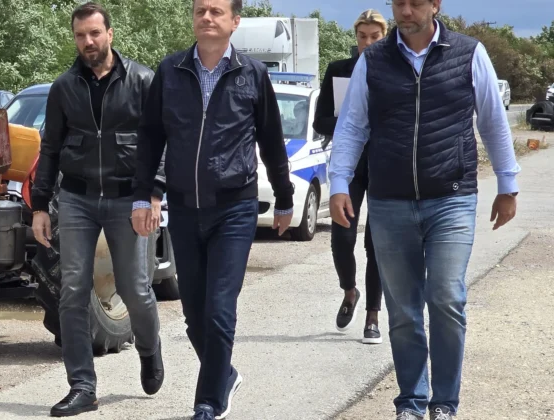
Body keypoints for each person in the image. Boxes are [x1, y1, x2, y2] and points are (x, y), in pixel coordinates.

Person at [328, 1, 520, 419]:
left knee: (446, 297)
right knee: (402, 310)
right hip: (389, 200)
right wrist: (339, 182)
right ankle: (412, 402)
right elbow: (353, 125)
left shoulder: (468, 53)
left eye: (416, 3)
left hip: (451, 197)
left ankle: (445, 403)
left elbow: (491, 120)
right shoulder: (374, 60)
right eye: (399, 3)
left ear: (435, 5)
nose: (406, 11)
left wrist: (508, 183)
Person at [131, 0, 294, 418]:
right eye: (200, 10)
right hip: (185, 209)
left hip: (234, 208)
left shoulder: (252, 74)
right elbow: (151, 137)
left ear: (234, 21)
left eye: (216, 11)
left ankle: (208, 403)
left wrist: (284, 197)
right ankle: (225, 375)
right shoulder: (170, 71)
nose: (206, 17)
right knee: (193, 313)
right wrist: (145, 194)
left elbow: (271, 139)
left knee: (220, 310)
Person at [30, 2, 166, 417]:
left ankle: (149, 348)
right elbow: (50, 147)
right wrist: (40, 205)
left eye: (94, 33)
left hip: (129, 198)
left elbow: (161, 141)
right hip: (77, 198)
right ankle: (82, 387)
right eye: (80, 35)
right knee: (72, 290)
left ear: (109, 34)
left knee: (135, 289)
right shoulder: (64, 87)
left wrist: (153, 194)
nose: (87, 42)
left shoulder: (142, 80)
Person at [313, 9, 387, 345]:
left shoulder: (394, 70)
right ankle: (349, 291)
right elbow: (320, 122)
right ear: (355, 37)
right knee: (342, 237)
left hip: (385, 166)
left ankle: (373, 316)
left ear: (384, 37)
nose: (367, 43)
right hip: (350, 166)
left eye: (374, 37)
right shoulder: (338, 70)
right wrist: (351, 119)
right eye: (362, 36)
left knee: (376, 243)